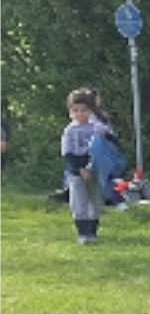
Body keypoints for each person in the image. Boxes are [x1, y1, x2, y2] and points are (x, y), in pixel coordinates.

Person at [61, 88, 110, 243]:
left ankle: (93, 232)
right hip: (76, 171)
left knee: (95, 202)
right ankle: (83, 233)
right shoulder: (70, 131)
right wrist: (80, 169)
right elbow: (68, 154)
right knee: (79, 202)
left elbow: (107, 144)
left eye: (84, 110)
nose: (80, 114)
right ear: (70, 112)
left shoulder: (97, 128)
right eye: (76, 110)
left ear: (91, 111)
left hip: (94, 169)